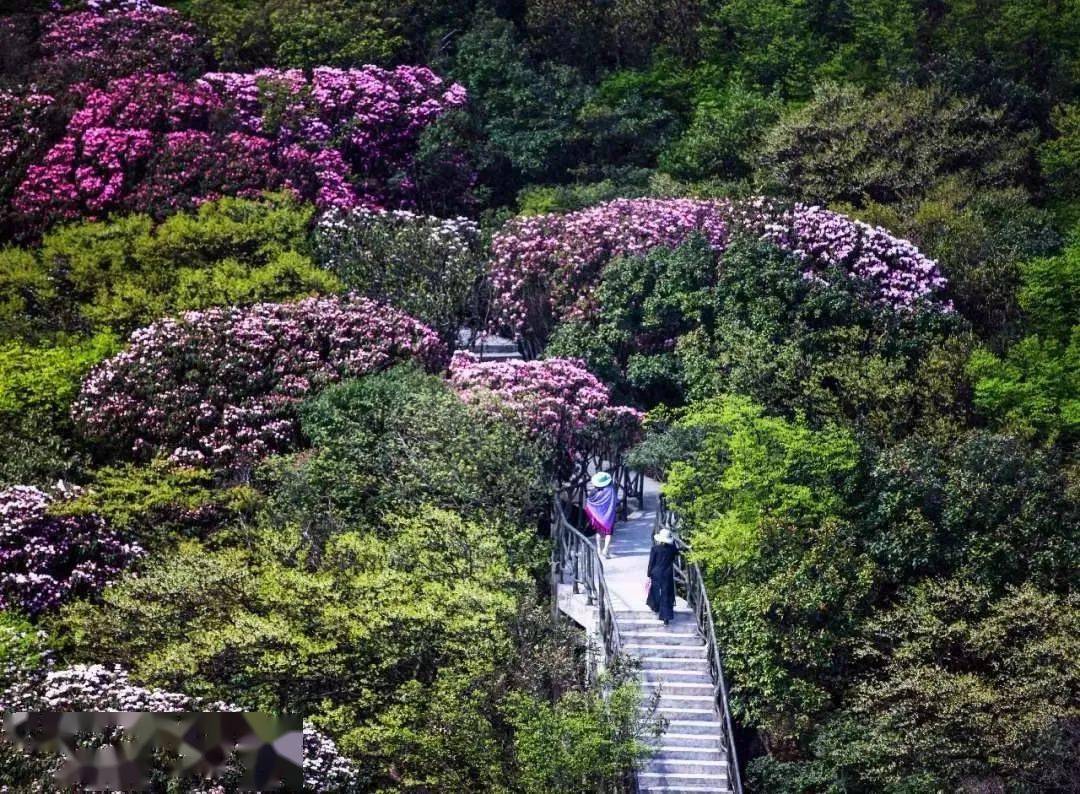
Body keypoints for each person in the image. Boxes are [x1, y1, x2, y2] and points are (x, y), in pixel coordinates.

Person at [646, 527, 677, 624]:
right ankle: (666, 617)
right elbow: (676, 552)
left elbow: (651, 562)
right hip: (667, 573)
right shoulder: (672, 550)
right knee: (666, 593)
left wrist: (648, 574)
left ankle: (655, 607)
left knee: (655, 590)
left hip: (656, 572)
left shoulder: (655, 549)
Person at [585, 471, 618, 558]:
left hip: (598, 516)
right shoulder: (611, 490)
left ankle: (599, 549)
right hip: (609, 516)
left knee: (598, 531)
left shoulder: (594, 492)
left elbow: (589, 501)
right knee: (609, 533)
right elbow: (615, 501)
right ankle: (605, 550)